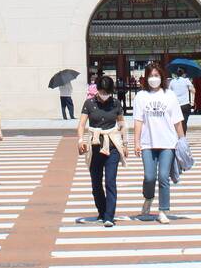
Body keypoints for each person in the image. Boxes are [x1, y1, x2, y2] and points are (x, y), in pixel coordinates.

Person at [131, 62, 185, 224]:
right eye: (150, 76)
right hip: (148, 143)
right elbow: (138, 121)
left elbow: (177, 121)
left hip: (168, 143)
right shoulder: (141, 96)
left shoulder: (170, 95)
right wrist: (136, 142)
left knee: (163, 177)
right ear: (146, 78)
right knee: (149, 177)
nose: (153, 79)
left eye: (156, 75)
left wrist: (182, 141)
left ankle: (163, 210)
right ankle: (148, 198)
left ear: (161, 77)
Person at [77, 75, 127, 227]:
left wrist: (125, 144)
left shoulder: (116, 103)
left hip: (112, 146)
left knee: (110, 181)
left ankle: (109, 216)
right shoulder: (89, 103)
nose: (104, 94)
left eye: (107, 92)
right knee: (96, 183)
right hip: (95, 145)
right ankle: (102, 210)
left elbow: (122, 124)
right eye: (101, 91)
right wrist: (80, 140)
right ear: (97, 90)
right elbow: (81, 124)